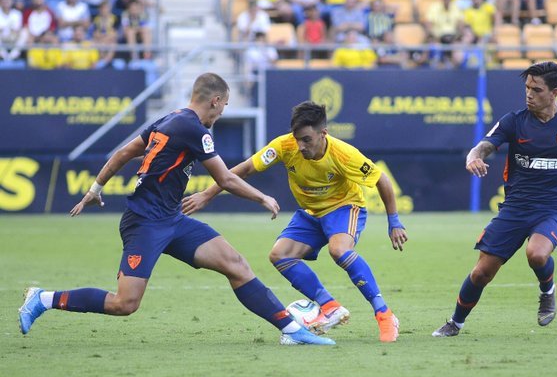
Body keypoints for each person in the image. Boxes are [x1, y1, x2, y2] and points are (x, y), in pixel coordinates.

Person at [18, 73, 334, 346]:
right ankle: (43, 299)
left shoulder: (170, 119)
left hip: (172, 219)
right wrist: (262, 197)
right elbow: (224, 178)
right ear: (216, 100)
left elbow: (124, 152)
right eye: (224, 106)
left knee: (236, 264)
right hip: (144, 223)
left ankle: (291, 330)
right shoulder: (195, 129)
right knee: (125, 303)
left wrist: (95, 188)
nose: (222, 114)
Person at [432, 62, 557, 338]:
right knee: (482, 272)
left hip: (552, 207)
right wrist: (473, 157)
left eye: (536, 89)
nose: (529, 94)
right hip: (515, 208)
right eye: (527, 88)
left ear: (554, 93)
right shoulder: (513, 121)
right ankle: (455, 323)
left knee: (537, 254)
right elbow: (484, 145)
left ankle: (547, 290)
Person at [182, 101, 408, 342]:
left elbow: (381, 179)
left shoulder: (344, 154)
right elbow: (245, 169)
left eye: (307, 140)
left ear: (324, 133)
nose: (300, 146)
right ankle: (329, 307)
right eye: (297, 138)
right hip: (310, 212)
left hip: (343, 207)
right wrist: (206, 194)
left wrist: (393, 221)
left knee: (339, 250)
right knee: (280, 255)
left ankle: (384, 314)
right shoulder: (284, 145)